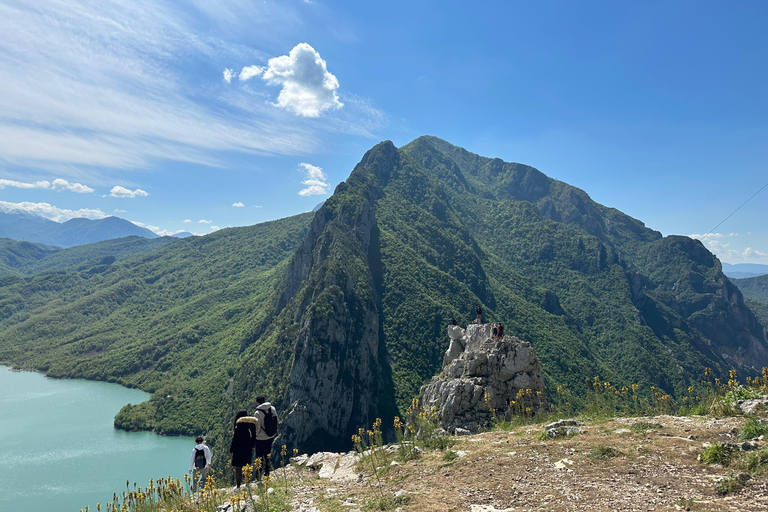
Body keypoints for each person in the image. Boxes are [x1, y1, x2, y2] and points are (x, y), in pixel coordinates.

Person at [228, 410, 257, 489]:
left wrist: (231, 449)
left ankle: (238, 486)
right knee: (247, 466)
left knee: (238, 467)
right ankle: (247, 484)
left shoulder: (239, 425)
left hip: (238, 448)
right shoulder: (251, 423)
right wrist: (252, 446)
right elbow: (254, 435)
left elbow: (235, 438)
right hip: (248, 447)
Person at [253, 396, 279, 479]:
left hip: (260, 439)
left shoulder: (257, 413)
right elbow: (277, 421)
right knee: (267, 455)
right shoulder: (272, 409)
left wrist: (255, 436)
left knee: (259, 458)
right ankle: (267, 473)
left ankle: (258, 475)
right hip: (270, 437)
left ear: (258, 403)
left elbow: (257, 428)